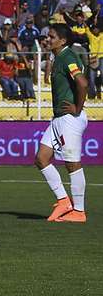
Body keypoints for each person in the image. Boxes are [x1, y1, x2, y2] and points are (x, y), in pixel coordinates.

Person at [34, 23, 89, 223]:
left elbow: (82, 82)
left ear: (63, 41)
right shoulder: (58, 58)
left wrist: (77, 107)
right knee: (41, 158)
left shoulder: (68, 57)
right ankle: (64, 201)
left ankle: (79, 212)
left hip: (69, 118)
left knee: (72, 163)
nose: (47, 39)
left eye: (51, 36)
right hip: (58, 118)